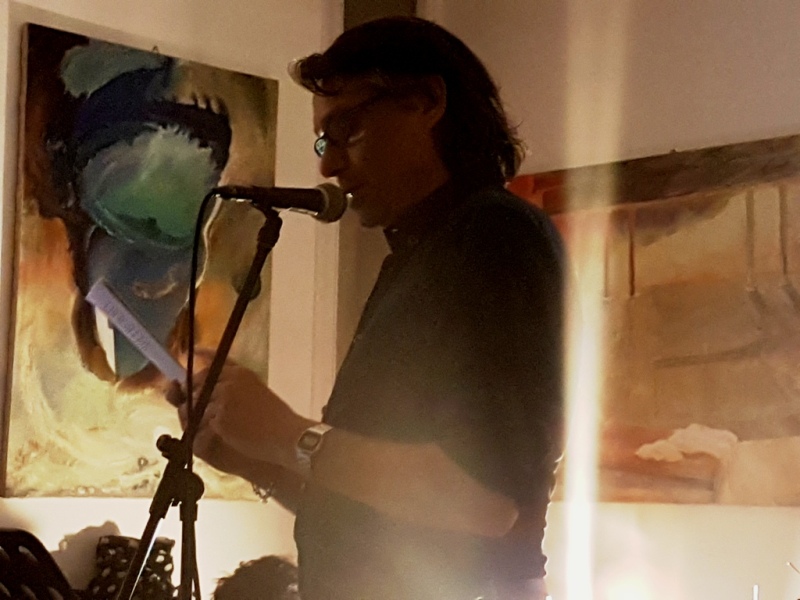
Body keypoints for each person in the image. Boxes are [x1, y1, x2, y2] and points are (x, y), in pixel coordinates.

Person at [172, 16, 566, 600]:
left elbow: (485, 501)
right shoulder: (419, 255)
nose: (328, 165)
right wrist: (255, 459)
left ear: (427, 102)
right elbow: (379, 521)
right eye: (322, 142)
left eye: (346, 129)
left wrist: (288, 435)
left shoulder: (494, 235)